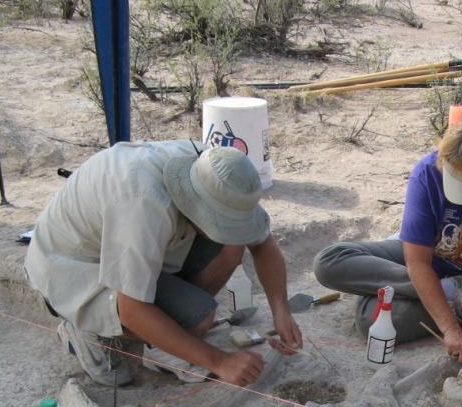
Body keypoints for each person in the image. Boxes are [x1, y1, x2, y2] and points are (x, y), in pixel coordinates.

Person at [24, 141, 303, 388]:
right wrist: (219, 361)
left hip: (133, 243)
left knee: (233, 245)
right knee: (200, 316)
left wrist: (281, 311)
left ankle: (165, 344)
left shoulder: (217, 169)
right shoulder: (143, 205)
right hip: (75, 265)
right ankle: (85, 329)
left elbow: (263, 243)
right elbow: (133, 310)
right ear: (196, 205)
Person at [313, 120, 462, 367]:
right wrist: (450, 328)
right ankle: (454, 290)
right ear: (443, 161)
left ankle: (398, 288)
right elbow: (417, 261)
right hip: (423, 259)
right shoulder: (426, 173)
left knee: (372, 321)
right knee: (328, 262)